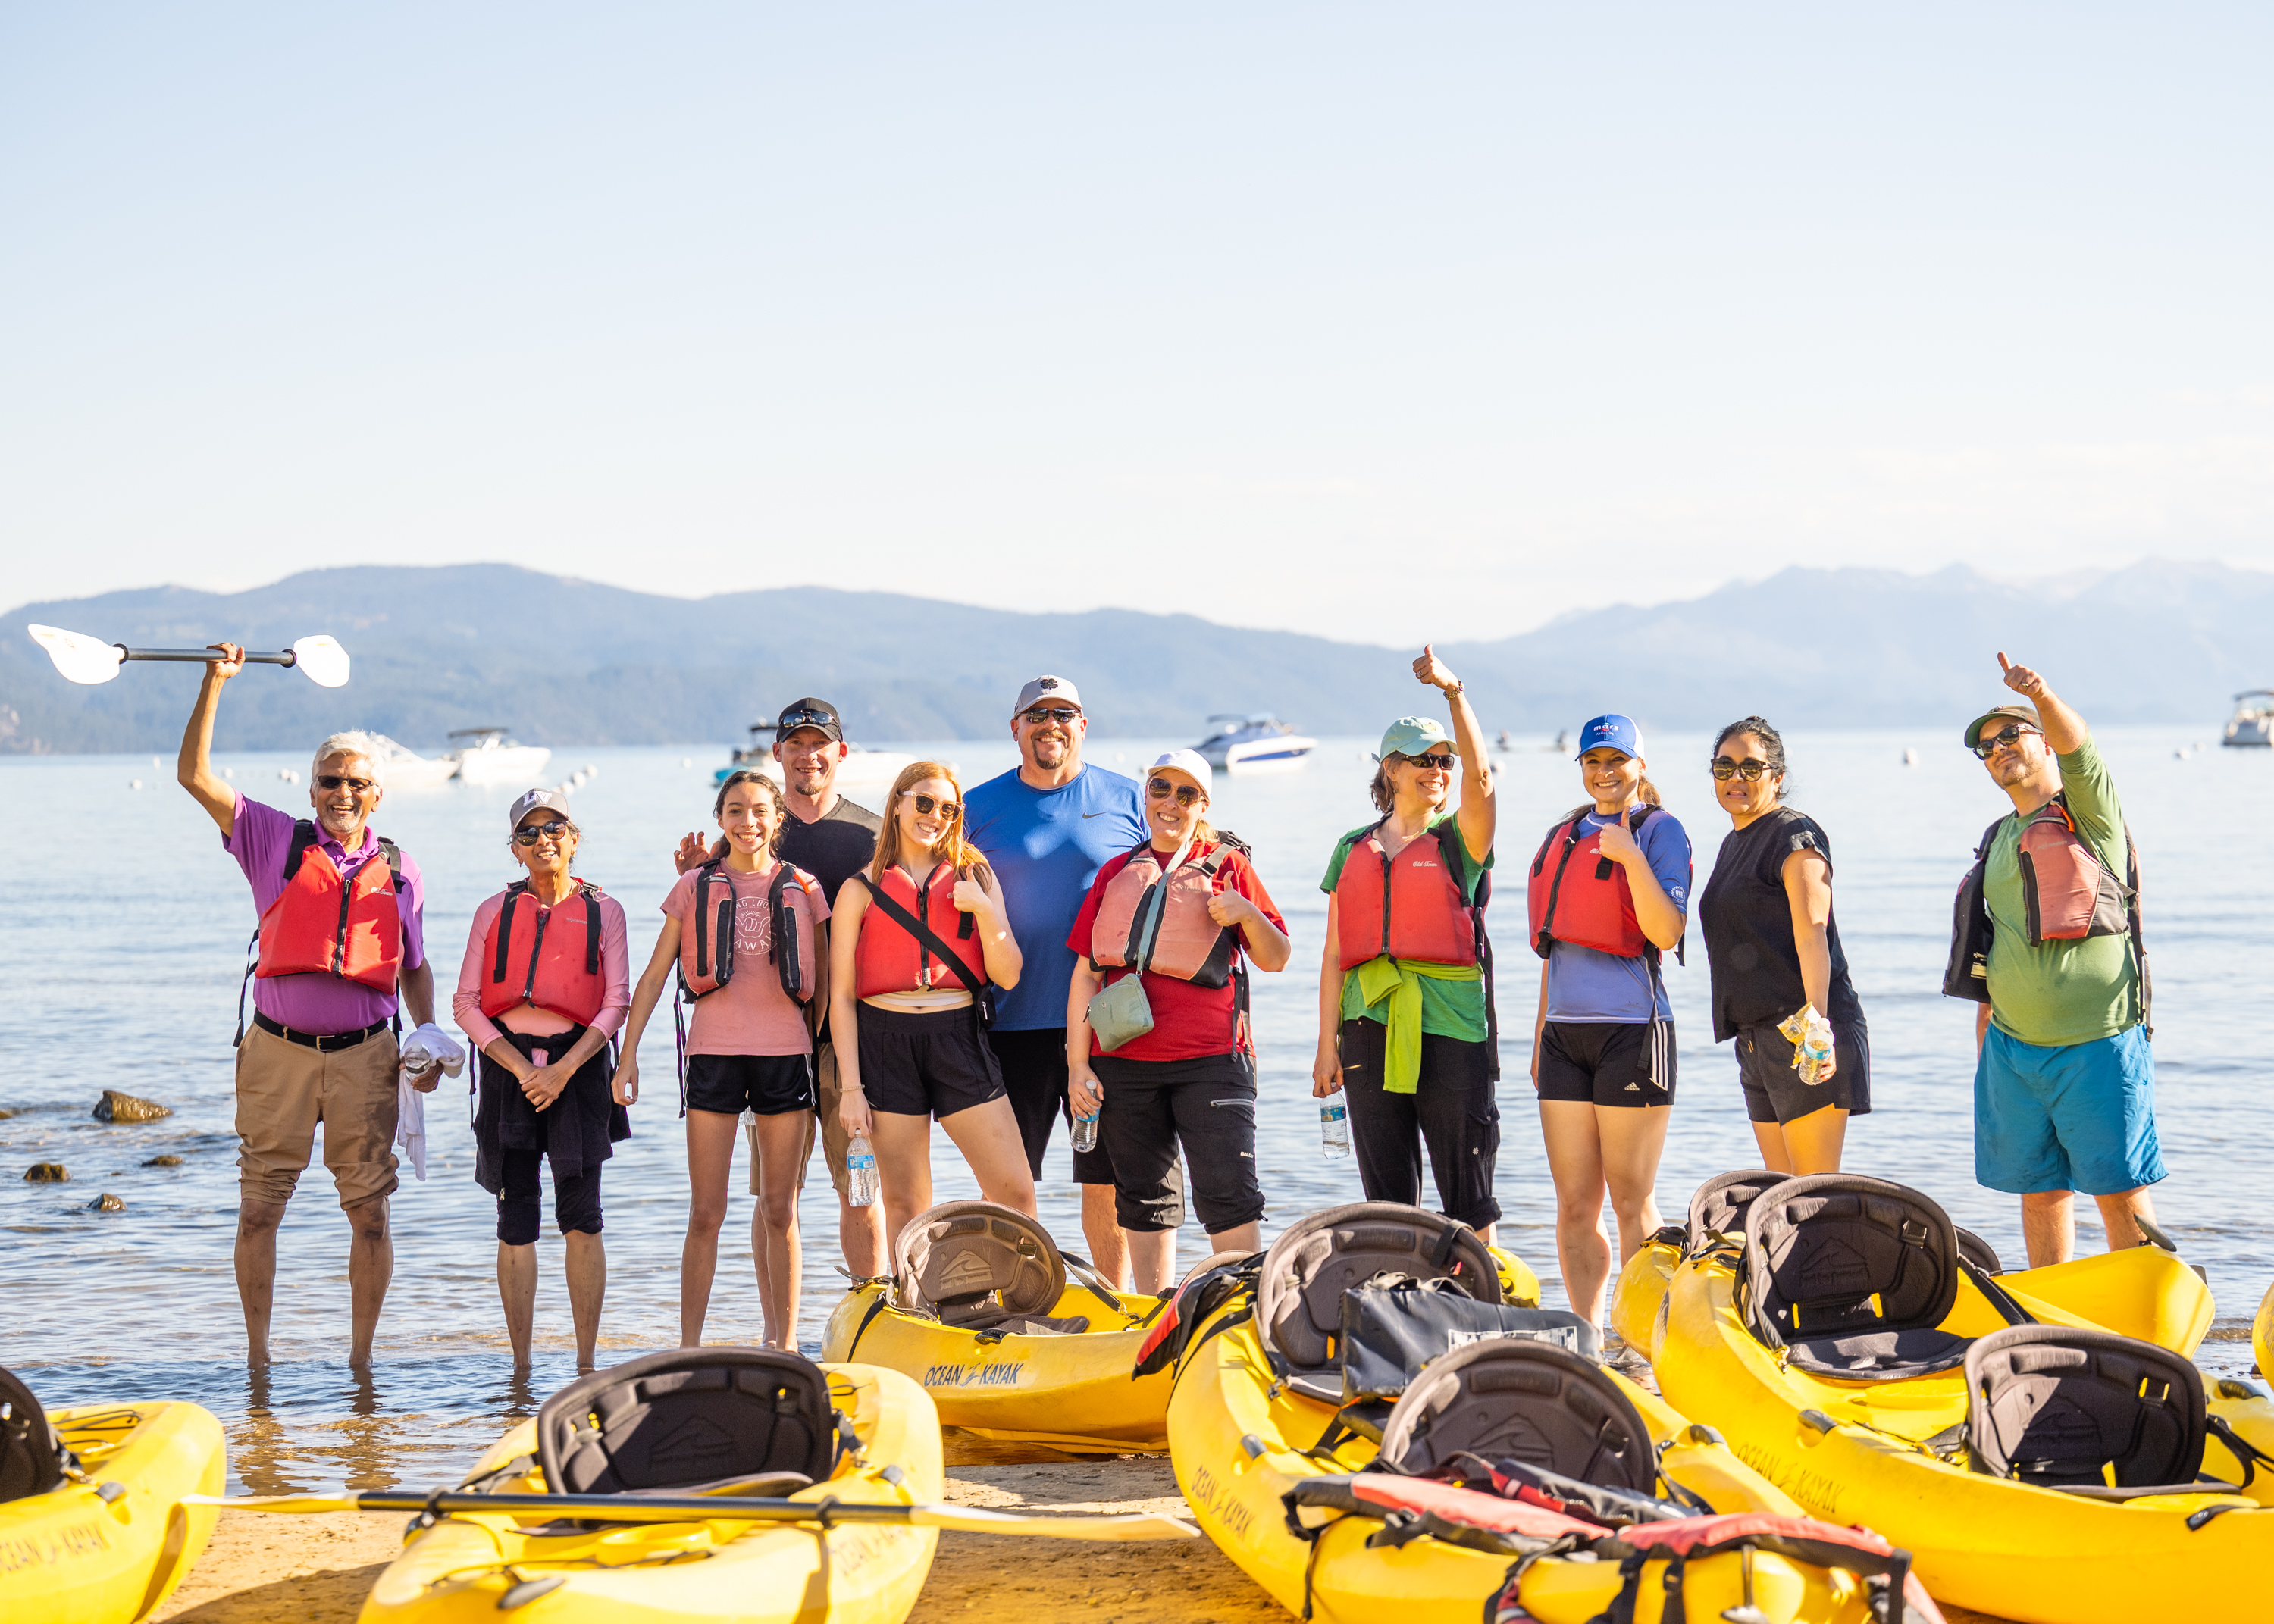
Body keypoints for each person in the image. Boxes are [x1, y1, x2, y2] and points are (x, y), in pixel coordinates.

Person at [175, 645, 437, 1368]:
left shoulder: (402, 868)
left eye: (357, 782)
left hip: (367, 1057)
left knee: (372, 1216)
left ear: (376, 794)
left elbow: (413, 966)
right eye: (330, 781)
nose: (342, 793)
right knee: (260, 1208)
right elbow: (193, 774)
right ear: (313, 787)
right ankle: (258, 1362)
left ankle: (361, 1366)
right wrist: (213, 683)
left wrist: (430, 1038)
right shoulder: (273, 840)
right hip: (278, 1052)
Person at [1954, 654, 2161, 1267]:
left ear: (2043, 742)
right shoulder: (1996, 839)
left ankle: (2148, 1316)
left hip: (2097, 1042)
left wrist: (2038, 693)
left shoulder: (2088, 811)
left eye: (2009, 735)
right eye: (1986, 747)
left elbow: (2081, 746)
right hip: (2015, 1052)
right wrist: (1987, 1040)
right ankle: (2056, 1320)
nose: (1997, 750)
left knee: (2120, 1190)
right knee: (2041, 1191)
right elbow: (1995, 946)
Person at [674, 699, 886, 1281]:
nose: (808, 755)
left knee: (860, 1188)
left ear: (840, 752)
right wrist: (693, 874)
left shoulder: (873, 834)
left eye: (820, 744)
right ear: (778, 753)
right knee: (776, 1198)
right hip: (771, 1043)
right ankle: (776, 1329)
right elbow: (708, 929)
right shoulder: (745, 834)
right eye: (796, 744)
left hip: (853, 1041)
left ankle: (872, 1307)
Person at [1067, 750, 1292, 1291]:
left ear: (1203, 804)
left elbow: (1278, 955)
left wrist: (1247, 913)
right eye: (1160, 789)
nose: (1170, 802)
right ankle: (1155, 1315)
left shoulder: (1229, 866)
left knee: (1228, 1192)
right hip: (1123, 1064)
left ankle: (1238, 1312)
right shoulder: (1115, 872)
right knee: (1144, 1199)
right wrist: (1077, 1065)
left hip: (1212, 1061)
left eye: (1185, 794)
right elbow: (1083, 976)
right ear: (1146, 796)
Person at [623, 770, 832, 1349]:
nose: (749, 821)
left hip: (784, 1058)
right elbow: (654, 975)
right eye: (736, 810)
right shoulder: (694, 886)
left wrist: (825, 1058)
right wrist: (628, 1055)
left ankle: (784, 1344)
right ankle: (689, 1347)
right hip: (712, 1057)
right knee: (705, 1212)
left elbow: (829, 985)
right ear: (721, 819)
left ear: (777, 818)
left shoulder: (805, 887)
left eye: (760, 810)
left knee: (779, 1208)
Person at [964, 677, 1148, 1284]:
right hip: (1008, 1020)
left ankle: (1118, 1311)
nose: (1051, 724)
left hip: (1106, 1024)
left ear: (1083, 725)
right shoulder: (975, 807)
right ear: (1015, 728)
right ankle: (1008, 1309)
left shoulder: (1131, 799)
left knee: (1105, 1181)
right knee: (1008, 1186)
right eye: (1036, 714)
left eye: (1063, 713)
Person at [1314, 647, 1500, 1241]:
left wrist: (1454, 692)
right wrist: (1326, 1046)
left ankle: (1491, 1313)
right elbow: (1335, 957)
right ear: (1390, 769)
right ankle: (1401, 1312)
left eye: (1444, 759)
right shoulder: (1352, 848)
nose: (1438, 769)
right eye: (1422, 759)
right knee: (1387, 1201)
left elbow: (1484, 779)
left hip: (1451, 1023)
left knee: (1469, 1197)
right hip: (1368, 1022)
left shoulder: (1458, 840)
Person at [452, 790, 632, 1373]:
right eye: (528, 834)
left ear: (575, 838)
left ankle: (585, 1361)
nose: (543, 840)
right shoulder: (492, 912)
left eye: (554, 827)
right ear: (515, 850)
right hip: (509, 1071)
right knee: (515, 1220)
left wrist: (561, 1068)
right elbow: (467, 1004)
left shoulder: (607, 912)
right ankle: (522, 1365)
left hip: (576, 1069)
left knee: (582, 1215)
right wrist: (522, 1068)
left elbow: (615, 1002)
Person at [1525, 713, 1690, 1331]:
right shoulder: (1563, 834)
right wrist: (1542, 1033)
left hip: (1634, 1032)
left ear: (1639, 766)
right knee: (1573, 1203)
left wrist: (1627, 857)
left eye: (1617, 760)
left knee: (1630, 1198)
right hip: (1566, 1036)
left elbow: (1666, 930)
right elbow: (1555, 945)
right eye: (1594, 761)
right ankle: (1586, 1334)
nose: (1604, 772)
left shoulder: (1660, 830)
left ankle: (1646, 1336)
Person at [832, 762, 1033, 1255]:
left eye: (948, 807)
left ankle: (1014, 1296)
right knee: (906, 1202)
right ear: (898, 802)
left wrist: (985, 909)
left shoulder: (976, 873)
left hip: (958, 1036)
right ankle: (918, 1308)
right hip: (885, 1043)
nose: (934, 815)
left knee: (1015, 1190)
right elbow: (840, 996)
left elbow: (1007, 973)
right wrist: (851, 1089)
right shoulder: (859, 889)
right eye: (923, 802)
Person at [1696, 718, 1870, 1175]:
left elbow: (1813, 933)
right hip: (1756, 1038)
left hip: (1804, 1034)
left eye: (1751, 768)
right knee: (1782, 1201)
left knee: (1812, 1197)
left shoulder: (1793, 835)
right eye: (1725, 766)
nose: (1737, 778)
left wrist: (1818, 1028)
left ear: (1777, 777)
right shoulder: (1735, 843)